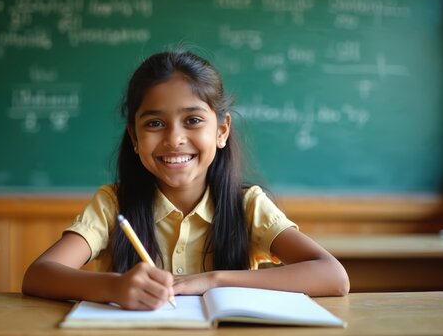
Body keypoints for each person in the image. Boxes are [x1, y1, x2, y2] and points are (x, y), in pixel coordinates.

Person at [22, 50, 349, 310]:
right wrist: (115, 287)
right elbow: (39, 275)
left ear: (222, 131)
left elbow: (333, 276)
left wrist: (212, 281)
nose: (174, 138)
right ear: (134, 138)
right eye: (154, 124)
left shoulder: (247, 205)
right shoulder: (113, 204)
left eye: (192, 120)